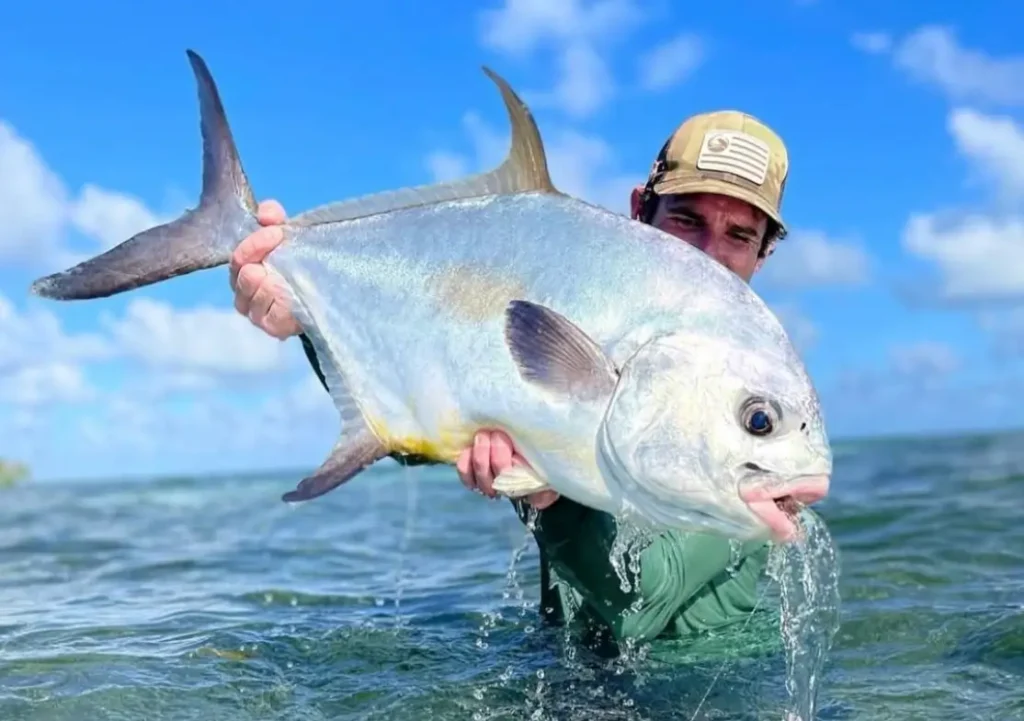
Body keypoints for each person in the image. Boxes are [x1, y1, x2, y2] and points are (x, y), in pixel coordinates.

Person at [229, 109, 794, 653]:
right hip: (562, 673)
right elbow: (417, 426)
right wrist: (305, 316)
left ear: (764, 253)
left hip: (707, 691)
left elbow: (644, 600)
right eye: (686, 219)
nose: (708, 253)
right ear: (639, 213)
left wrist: (548, 493)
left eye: (739, 235)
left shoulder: (767, 419)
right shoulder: (587, 308)